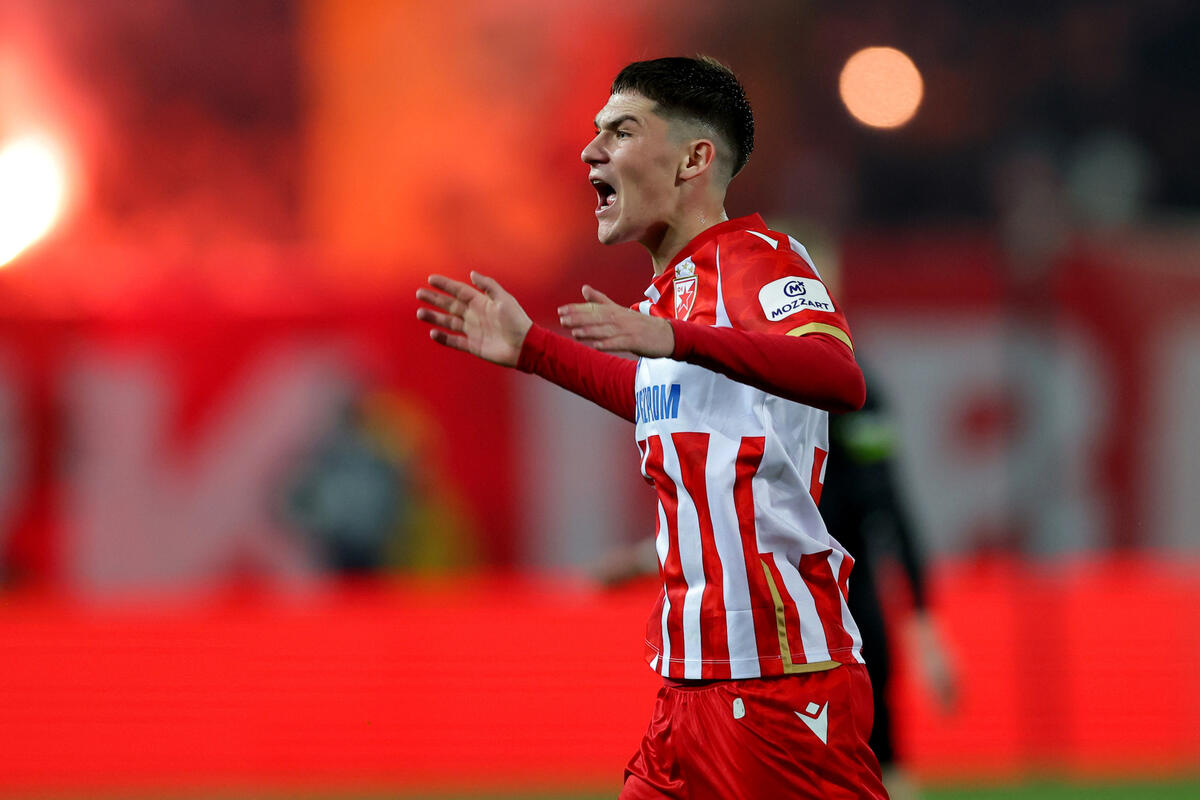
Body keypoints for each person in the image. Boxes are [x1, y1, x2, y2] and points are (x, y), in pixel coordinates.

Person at [417, 56, 887, 799]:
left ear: (694, 159)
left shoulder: (758, 261)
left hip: (776, 683)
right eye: (596, 131)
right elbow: (654, 399)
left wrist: (677, 339)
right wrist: (533, 349)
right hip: (686, 687)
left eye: (623, 131)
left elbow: (840, 377)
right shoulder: (668, 297)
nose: (591, 151)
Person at [814, 372, 958, 800]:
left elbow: (884, 499)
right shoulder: (752, 378)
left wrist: (922, 622)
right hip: (793, 596)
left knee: (877, 745)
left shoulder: (851, 386)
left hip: (839, 598)